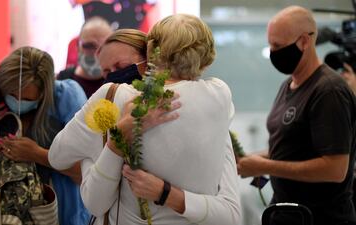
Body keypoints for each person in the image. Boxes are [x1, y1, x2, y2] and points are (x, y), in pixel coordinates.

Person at [49, 14, 241, 225]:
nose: (113, 75)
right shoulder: (220, 95)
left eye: (120, 66)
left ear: (150, 53)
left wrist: (94, 150)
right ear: (207, 55)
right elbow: (231, 214)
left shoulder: (117, 96)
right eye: (107, 71)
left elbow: (57, 157)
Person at [237, 6, 356, 225]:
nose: (273, 52)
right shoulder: (288, 85)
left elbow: (335, 169)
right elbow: (292, 149)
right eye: (270, 45)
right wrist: (252, 160)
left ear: (304, 41)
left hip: (319, 218)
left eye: (278, 46)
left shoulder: (328, 91)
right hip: (285, 213)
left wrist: (264, 167)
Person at [0, 47, 90, 225]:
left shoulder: (66, 98)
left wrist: (37, 154)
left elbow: (84, 172)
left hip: (58, 215)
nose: (17, 102)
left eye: (27, 99)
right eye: (11, 95)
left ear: (45, 92)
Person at [58, 17, 113, 98]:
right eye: (89, 46)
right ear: (77, 46)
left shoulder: (120, 83)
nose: (96, 53)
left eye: (104, 46)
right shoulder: (62, 82)